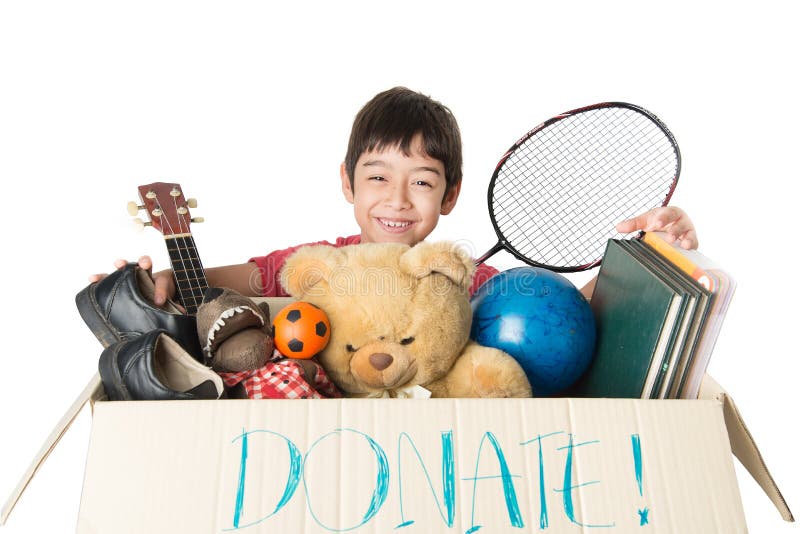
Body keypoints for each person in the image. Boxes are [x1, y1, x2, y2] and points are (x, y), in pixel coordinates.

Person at [90, 87, 699, 302]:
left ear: (452, 195)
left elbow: (568, 321)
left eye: (423, 182)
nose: (398, 199)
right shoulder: (310, 266)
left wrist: (647, 256)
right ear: (346, 182)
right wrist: (159, 281)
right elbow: (229, 283)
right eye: (378, 177)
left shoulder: (471, 282)